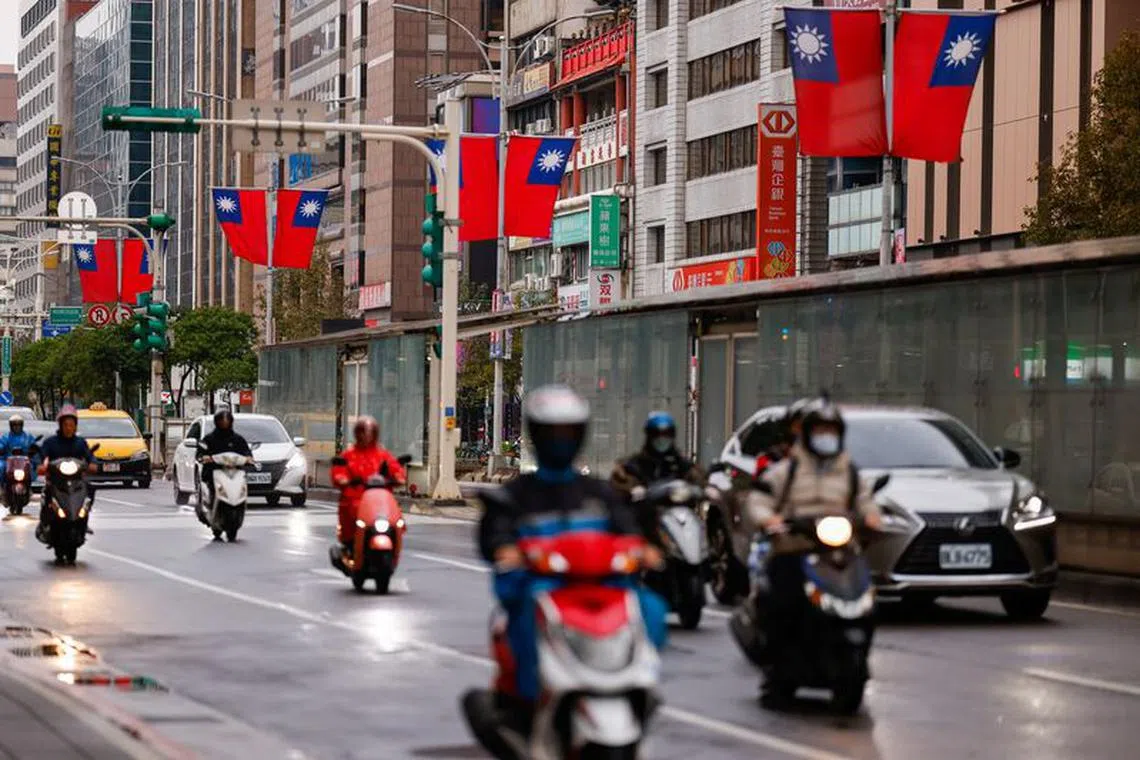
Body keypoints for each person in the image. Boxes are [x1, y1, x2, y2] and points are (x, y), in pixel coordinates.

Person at [478, 385, 668, 711]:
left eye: (568, 431)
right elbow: (495, 536)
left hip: (604, 587)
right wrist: (505, 549)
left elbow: (629, 529)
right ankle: (528, 700)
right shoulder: (517, 494)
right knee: (524, 617)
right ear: (537, 434)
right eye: (552, 432)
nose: (560, 440)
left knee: (651, 608)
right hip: (543, 587)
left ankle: (638, 688)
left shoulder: (598, 492)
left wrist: (643, 548)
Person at [744, 399, 881, 701]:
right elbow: (759, 499)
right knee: (781, 601)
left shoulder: (850, 473)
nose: (825, 436)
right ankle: (777, 668)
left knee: (867, 598)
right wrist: (771, 519)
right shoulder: (787, 470)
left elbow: (865, 501)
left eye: (831, 430)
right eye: (819, 430)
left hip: (839, 551)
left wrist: (872, 517)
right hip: (795, 548)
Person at [330, 416, 406, 553]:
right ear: (357, 434)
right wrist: (343, 479)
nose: (366, 436)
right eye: (363, 432)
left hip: (380, 500)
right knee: (350, 510)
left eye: (370, 432)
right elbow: (339, 471)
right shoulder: (349, 455)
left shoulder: (383, 455)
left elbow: (395, 468)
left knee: (396, 514)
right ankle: (350, 543)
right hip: (357, 499)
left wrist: (398, 477)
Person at [36, 405, 96, 541]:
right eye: (66, 424)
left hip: (76, 482)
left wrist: (92, 464)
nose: (69, 428)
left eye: (71, 425)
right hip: (56, 481)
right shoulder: (51, 442)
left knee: (91, 488)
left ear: (75, 426)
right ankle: (44, 523)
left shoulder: (80, 443)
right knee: (47, 494)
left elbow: (89, 457)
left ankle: (84, 520)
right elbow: (43, 457)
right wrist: (41, 466)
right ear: (60, 425)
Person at [198, 409, 254, 511]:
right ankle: (209, 505)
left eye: (227, 420)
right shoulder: (209, 439)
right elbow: (201, 452)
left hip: (234, 470)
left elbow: (246, 451)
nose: (224, 423)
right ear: (216, 422)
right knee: (208, 485)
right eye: (221, 420)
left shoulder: (238, 439)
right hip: (214, 470)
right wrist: (204, 457)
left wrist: (248, 458)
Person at [753, 398, 810, 478]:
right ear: (788, 427)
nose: (803, 432)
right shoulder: (770, 459)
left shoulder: (828, 463)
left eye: (809, 428)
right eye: (799, 426)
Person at [0, 415, 39, 488]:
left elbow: (34, 445)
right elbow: (1, 444)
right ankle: (2, 487)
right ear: (11, 426)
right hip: (8, 461)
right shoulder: (6, 437)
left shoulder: (28, 437)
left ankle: (31, 487)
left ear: (22, 425)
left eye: (19, 425)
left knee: (32, 467)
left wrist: (33, 450)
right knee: (0, 467)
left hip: (24, 462)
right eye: (14, 425)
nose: (16, 427)